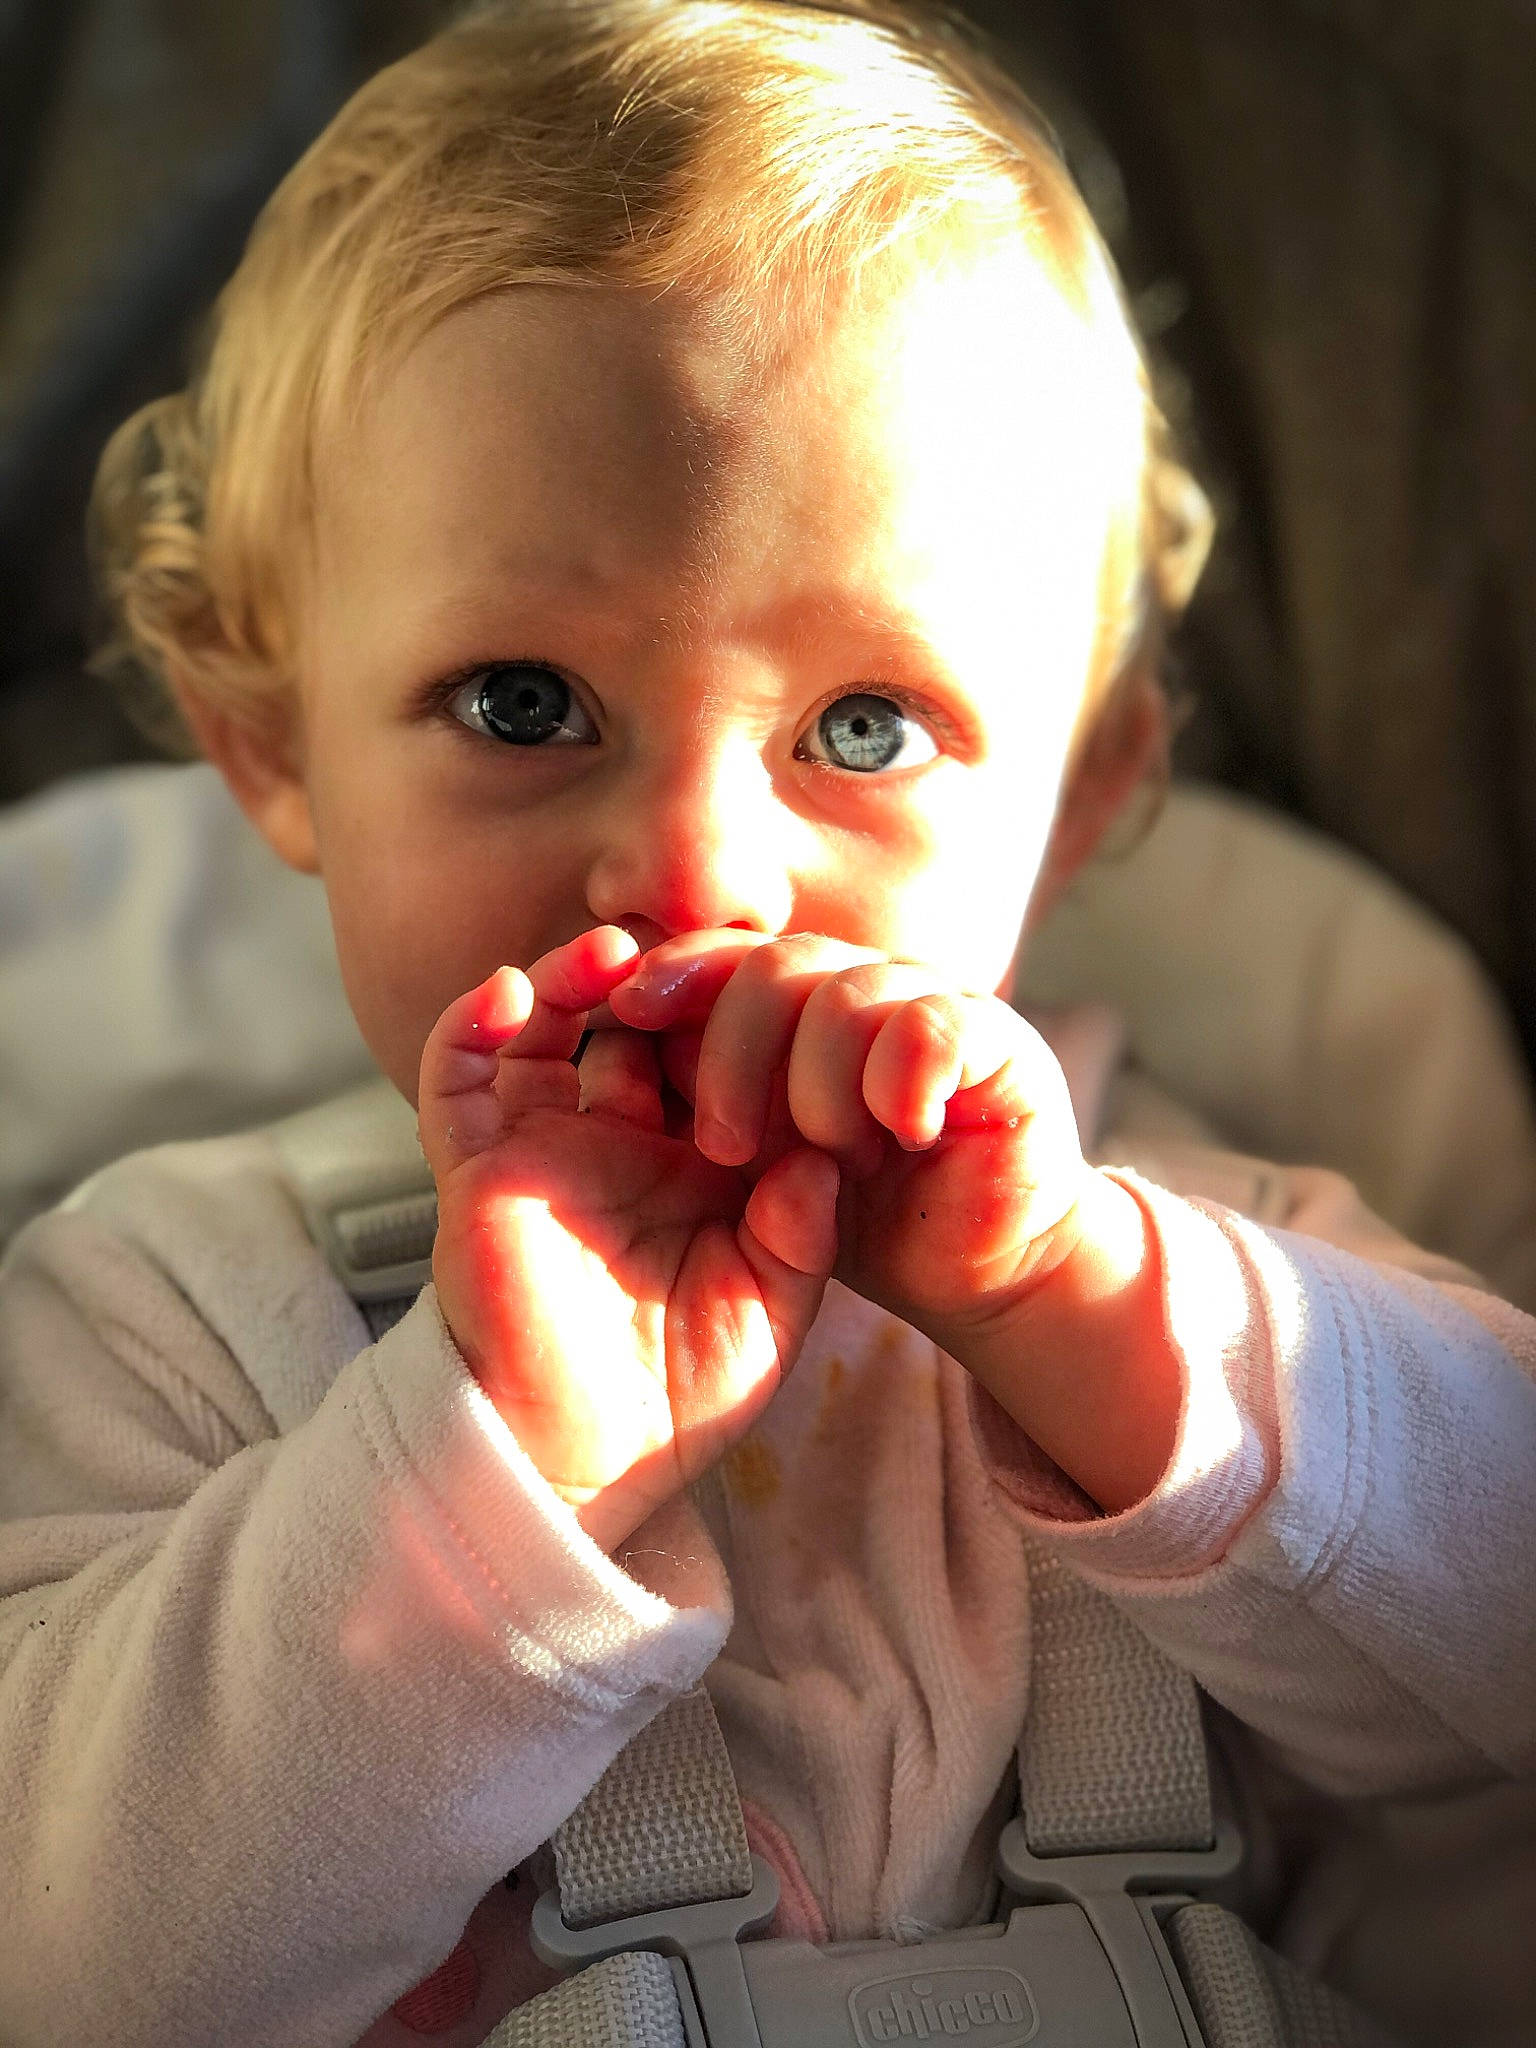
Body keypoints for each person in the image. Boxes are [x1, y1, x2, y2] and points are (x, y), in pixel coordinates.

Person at [2, 2, 1532, 2042]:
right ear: (269, 748)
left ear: (1076, 801)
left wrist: (1103, 1322)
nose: (701, 880)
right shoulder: (163, 1314)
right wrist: (477, 1469)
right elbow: (67, 1965)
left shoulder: (1205, 1237)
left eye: (865, 729)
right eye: (525, 705)